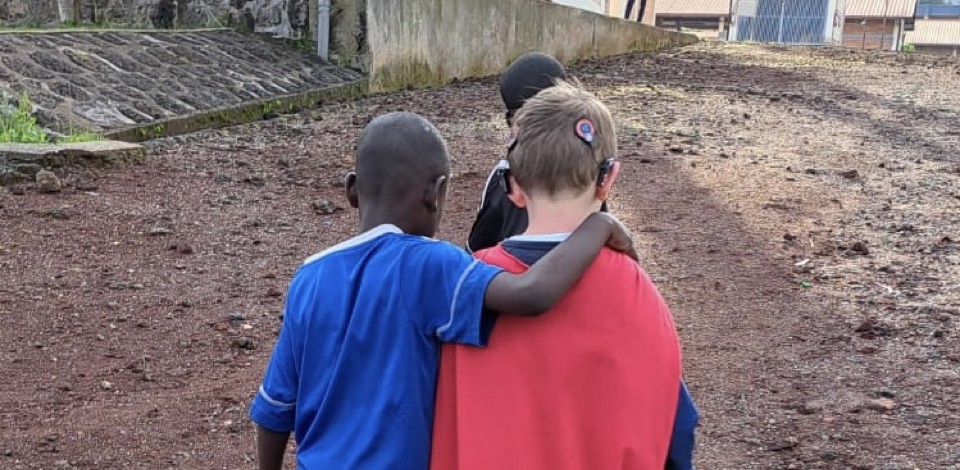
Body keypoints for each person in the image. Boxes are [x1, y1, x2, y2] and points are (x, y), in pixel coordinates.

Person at [249, 111, 637, 469]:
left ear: (352, 190)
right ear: (435, 193)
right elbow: (531, 294)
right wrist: (597, 227)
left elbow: (276, 406)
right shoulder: (430, 264)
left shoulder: (309, 277)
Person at [431, 82, 699, 470]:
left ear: (513, 187)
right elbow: (676, 429)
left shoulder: (465, 286)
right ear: (608, 179)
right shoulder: (637, 294)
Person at [467, 51, 609, 254]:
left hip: (510, 278)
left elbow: (476, 252)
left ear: (513, 124)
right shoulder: (588, 166)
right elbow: (604, 236)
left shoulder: (503, 178)